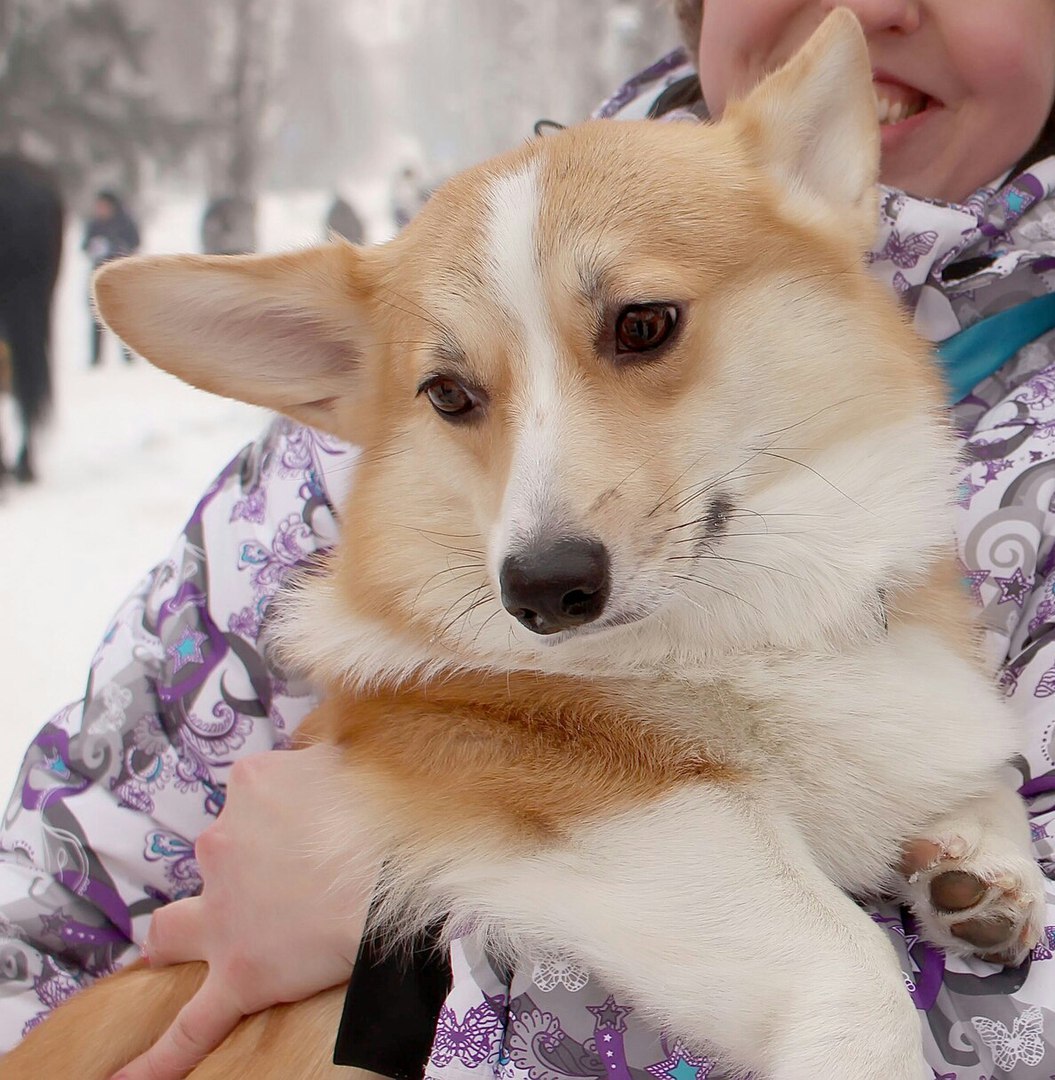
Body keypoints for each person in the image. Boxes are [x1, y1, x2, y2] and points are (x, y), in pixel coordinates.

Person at [5, 1, 1055, 1076]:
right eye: (456, 397)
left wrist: (406, 934)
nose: (875, 5)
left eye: (640, 329)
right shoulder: (365, 441)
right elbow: (51, 891)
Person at [82, 191, 140, 367]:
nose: (100, 209)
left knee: (122, 317)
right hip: (98, 274)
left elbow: (135, 242)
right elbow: (84, 245)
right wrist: (93, 247)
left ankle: (128, 355)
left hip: (119, 275)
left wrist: (116, 247)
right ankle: (95, 358)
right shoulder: (94, 224)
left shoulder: (125, 222)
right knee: (96, 316)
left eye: (103, 206)